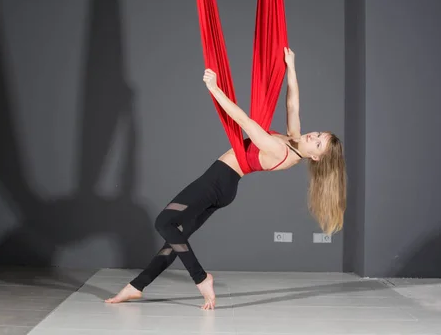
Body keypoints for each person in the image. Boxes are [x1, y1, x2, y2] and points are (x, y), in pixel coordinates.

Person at [105, 47, 346, 310]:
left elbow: (245, 121)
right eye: (319, 133)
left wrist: (214, 88)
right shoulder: (294, 140)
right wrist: (291, 67)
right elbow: (292, 102)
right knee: (174, 241)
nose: (314, 136)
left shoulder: (281, 151)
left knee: (165, 222)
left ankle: (201, 279)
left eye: (319, 143)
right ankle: (136, 287)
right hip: (223, 185)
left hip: (218, 182)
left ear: (316, 158)